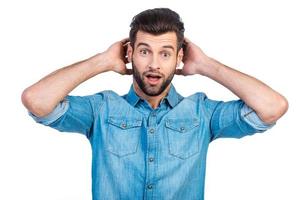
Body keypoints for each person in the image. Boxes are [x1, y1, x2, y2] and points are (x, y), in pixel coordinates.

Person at [21, 8, 288, 200]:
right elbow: (37, 101)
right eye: (145, 51)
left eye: (166, 53)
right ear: (130, 54)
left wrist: (206, 65)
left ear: (179, 58)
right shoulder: (100, 109)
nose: (154, 65)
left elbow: (272, 108)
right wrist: (102, 61)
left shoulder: (202, 113)